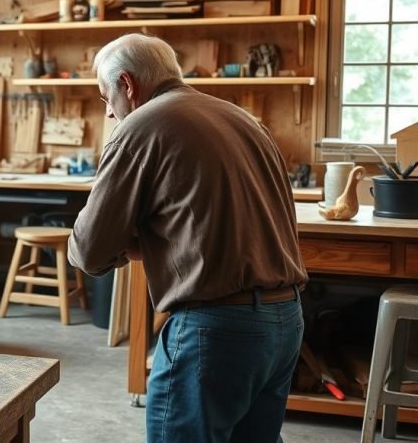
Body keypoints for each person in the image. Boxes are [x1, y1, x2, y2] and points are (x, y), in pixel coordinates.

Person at [68, 33, 308, 443]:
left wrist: (130, 242)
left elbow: (90, 251)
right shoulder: (243, 120)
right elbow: (219, 225)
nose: (109, 113)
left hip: (216, 329)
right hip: (284, 322)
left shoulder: (140, 127)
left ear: (127, 84)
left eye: (106, 97)